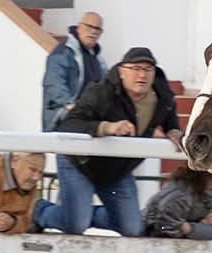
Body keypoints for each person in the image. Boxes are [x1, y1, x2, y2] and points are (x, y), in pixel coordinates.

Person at [34, 47, 183, 236]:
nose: (141, 75)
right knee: (75, 226)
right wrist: (106, 128)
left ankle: (84, 214)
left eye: (147, 69)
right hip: (80, 163)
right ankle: (38, 211)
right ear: (122, 71)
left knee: (133, 228)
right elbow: (69, 124)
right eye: (135, 68)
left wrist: (173, 131)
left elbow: (170, 119)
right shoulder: (100, 91)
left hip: (116, 170)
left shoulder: (163, 96)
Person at [41, 11, 106, 130]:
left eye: (97, 29)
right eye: (89, 27)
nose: (93, 31)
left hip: (89, 117)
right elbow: (54, 83)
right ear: (79, 27)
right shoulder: (62, 53)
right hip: (64, 118)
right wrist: (70, 106)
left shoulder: (98, 59)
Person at [143, 167, 212, 240]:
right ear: (208, 174)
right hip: (149, 235)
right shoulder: (181, 194)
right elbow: (164, 229)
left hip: (177, 242)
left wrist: (188, 227)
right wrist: (198, 227)